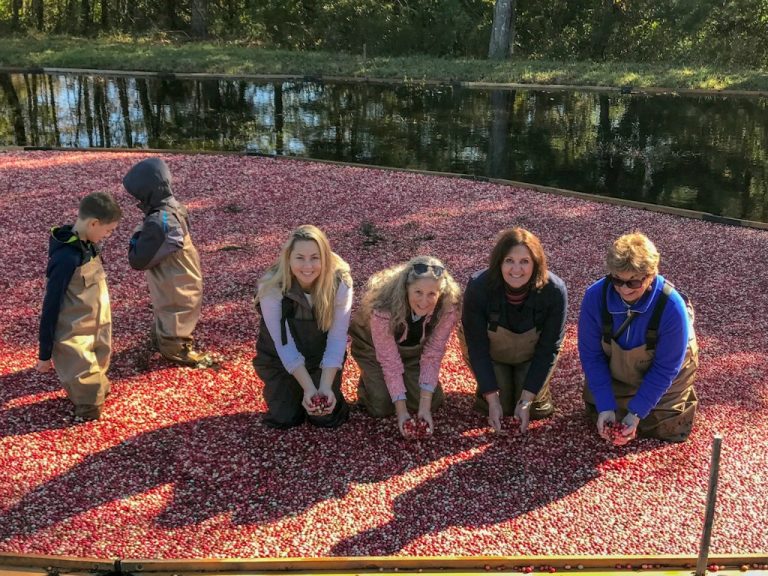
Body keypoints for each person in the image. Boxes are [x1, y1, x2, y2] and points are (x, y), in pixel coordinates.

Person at [578, 232, 698, 444]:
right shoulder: (594, 296)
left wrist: (636, 413)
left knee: (661, 426)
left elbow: (665, 368)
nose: (624, 289)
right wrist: (605, 406)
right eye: (617, 280)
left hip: (668, 372)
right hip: (617, 368)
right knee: (599, 414)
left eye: (633, 282)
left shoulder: (673, 307)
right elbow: (592, 356)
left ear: (650, 275)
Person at [461, 227, 567, 434]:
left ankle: (536, 391)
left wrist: (527, 400)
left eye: (524, 261)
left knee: (534, 409)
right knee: (502, 406)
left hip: (531, 355)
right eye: (509, 261)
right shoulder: (479, 287)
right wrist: (492, 399)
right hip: (493, 354)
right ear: (498, 262)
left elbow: (549, 348)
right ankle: (487, 389)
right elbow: (477, 345)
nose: (516, 269)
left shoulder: (554, 291)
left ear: (536, 263)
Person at [253, 225, 353, 429]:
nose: (308, 266)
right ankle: (293, 389)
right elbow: (283, 344)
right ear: (288, 258)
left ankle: (331, 393)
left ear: (325, 258)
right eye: (300, 257)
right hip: (279, 360)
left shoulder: (340, 283)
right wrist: (309, 388)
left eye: (315, 257)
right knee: (285, 418)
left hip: (320, 356)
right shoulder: (271, 286)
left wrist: (325, 387)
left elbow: (337, 339)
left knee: (325, 417)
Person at [349, 256, 461, 437]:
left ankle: (406, 381)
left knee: (432, 402)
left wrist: (424, 406)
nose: (424, 301)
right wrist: (401, 411)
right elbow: (389, 360)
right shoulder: (383, 308)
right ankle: (369, 381)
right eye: (418, 292)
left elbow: (432, 354)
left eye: (432, 294)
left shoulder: (447, 308)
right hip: (373, 349)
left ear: (441, 293)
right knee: (381, 405)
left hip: (414, 351)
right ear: (406, 288)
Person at [36, 191, 122, 421]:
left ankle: (96, 390)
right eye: (108, 230)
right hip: (75, 329)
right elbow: (51, 304)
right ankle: (88, 405)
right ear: (94, 223)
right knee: (80, 364)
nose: (107, 235)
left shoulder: (90, 245)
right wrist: (44, 353)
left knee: (100, 356)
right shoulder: (66, 259)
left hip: (98, 320)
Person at [122, 157, 211, 367]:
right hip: (182, 269)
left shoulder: (159, 221)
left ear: (145, 193)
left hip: (174, 275)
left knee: (176, 308)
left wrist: (136, 236)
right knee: (176, 306)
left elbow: (138, 260)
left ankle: (174, 348)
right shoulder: (174, 207)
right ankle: (161, 336)